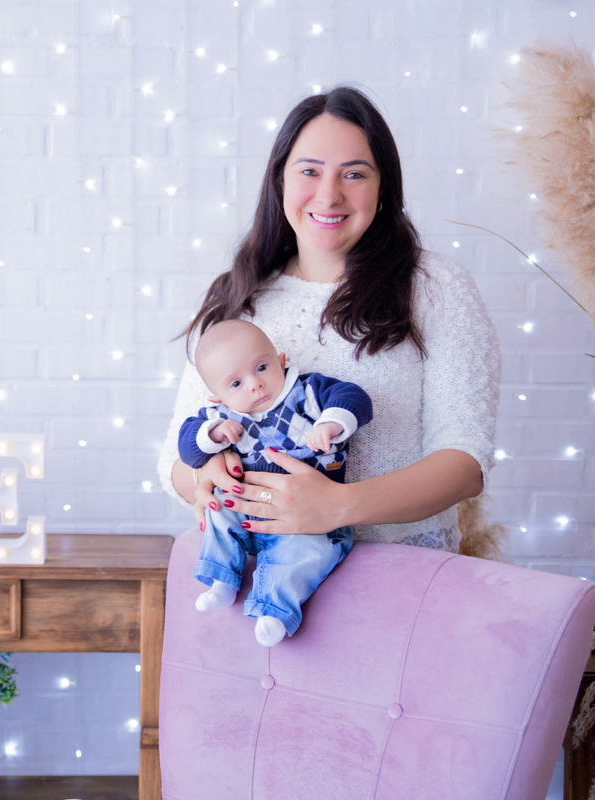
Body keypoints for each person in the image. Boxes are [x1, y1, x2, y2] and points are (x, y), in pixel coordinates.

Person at [158, 85, 500, 561]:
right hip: (254, 583)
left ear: (383, 189)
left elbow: (465, 465)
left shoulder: (436, 288)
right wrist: (205, 473)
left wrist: (338, 506)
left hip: (397, 583)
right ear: (280, 181)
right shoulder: (238, 296)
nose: (329, 194)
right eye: (309, 171)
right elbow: (171, 464)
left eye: (354, 174)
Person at [178, 319, 373, 646]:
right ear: (217, 395)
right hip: (249, 510)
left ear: (281, 361)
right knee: (219, 511)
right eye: (236, 383)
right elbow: (187, 446)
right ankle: (222, 580)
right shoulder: (221, 417)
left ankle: (274, 611)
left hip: (312, 520)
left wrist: (331, 421)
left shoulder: (308, 392)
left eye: (262, 367)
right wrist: (211, 436)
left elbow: (353, 397)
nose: (255, 384)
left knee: (303, 555)